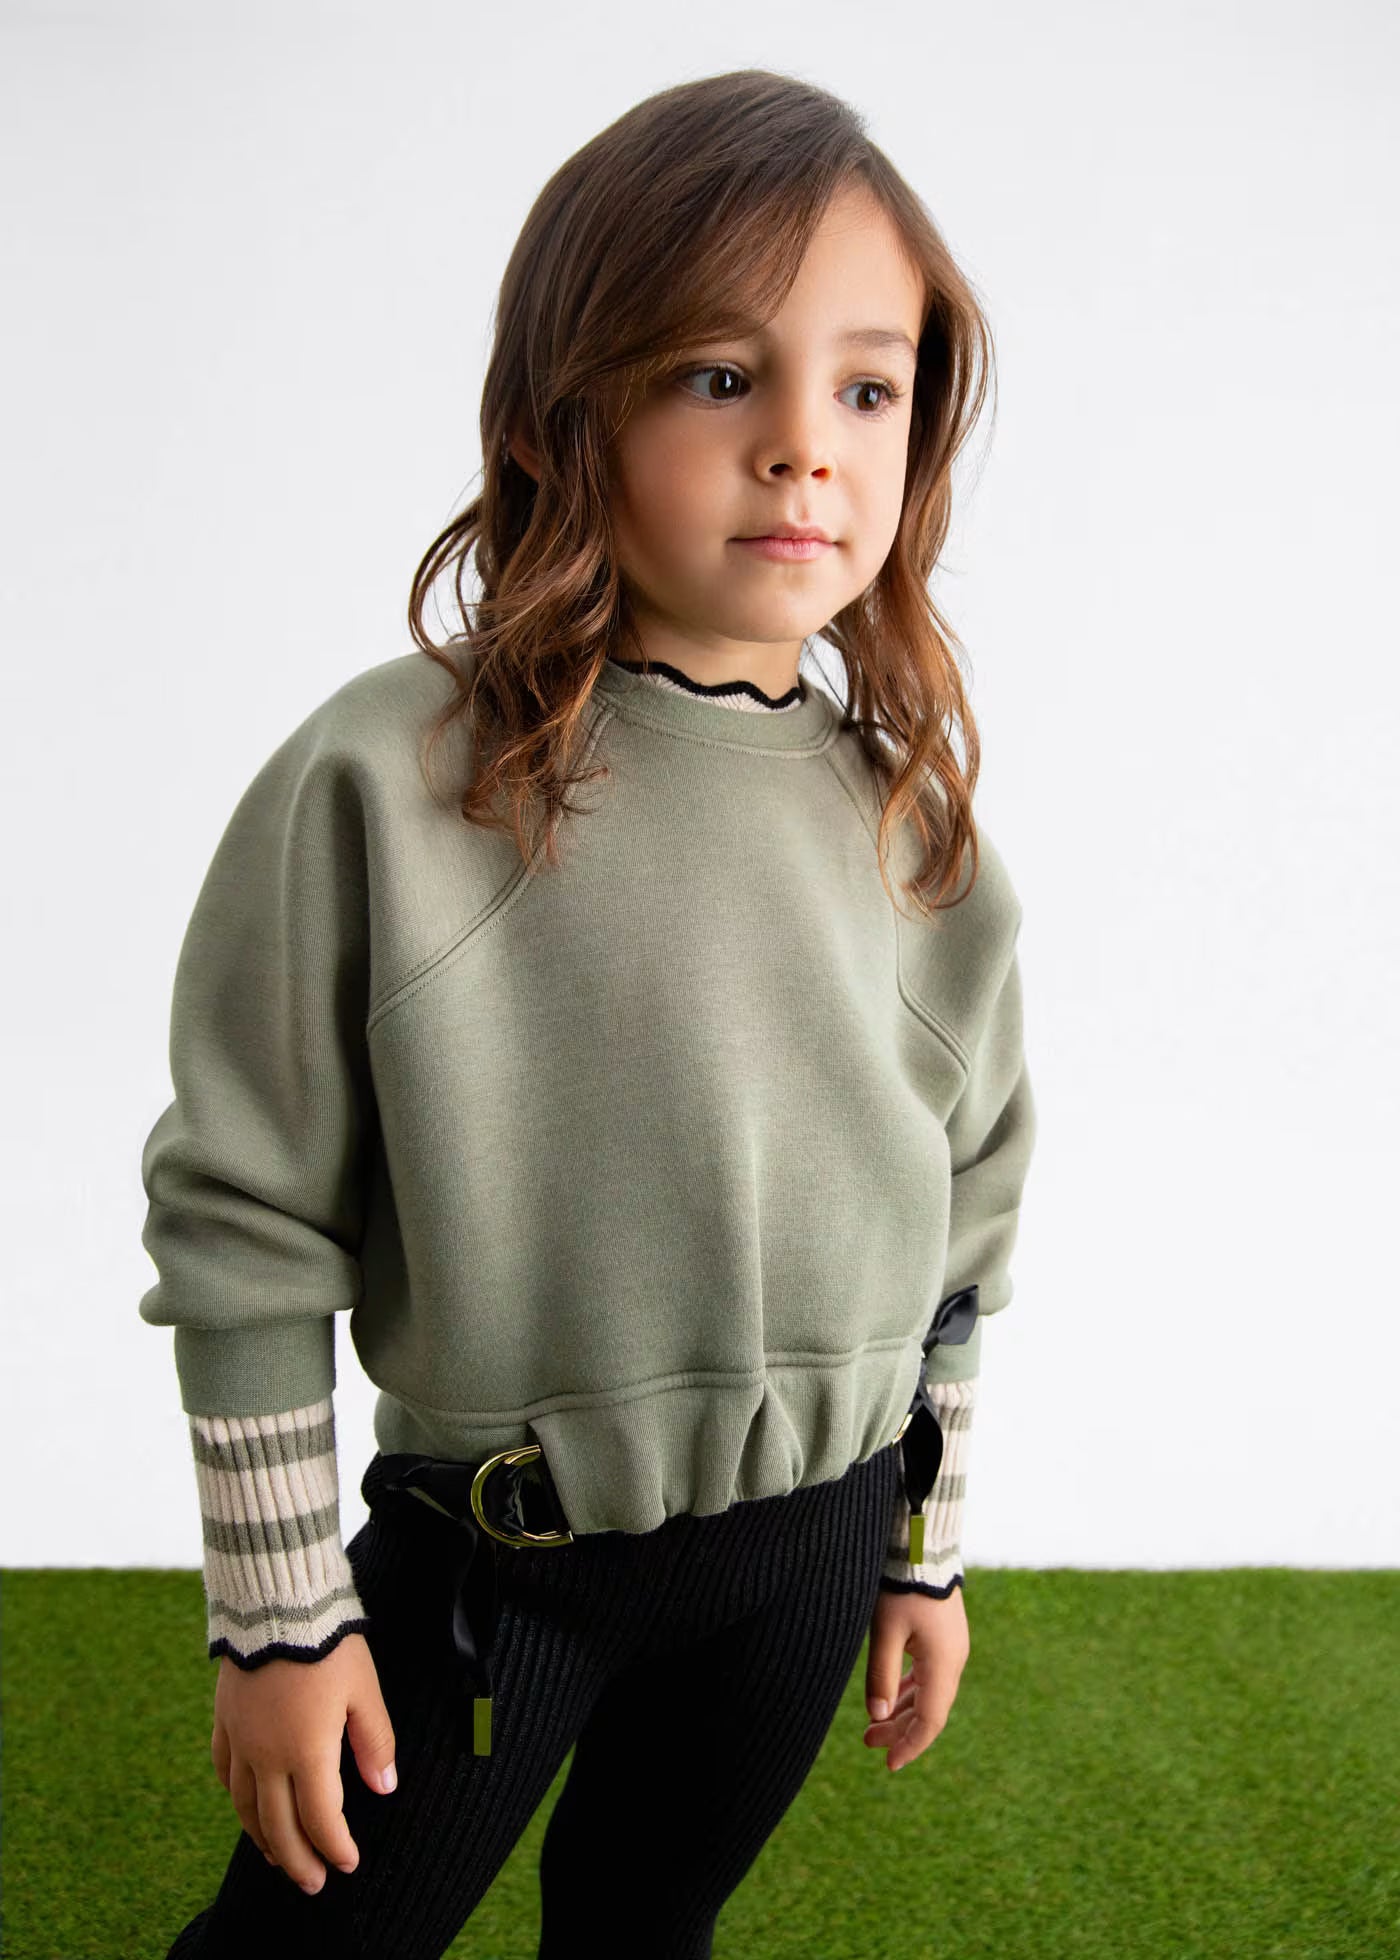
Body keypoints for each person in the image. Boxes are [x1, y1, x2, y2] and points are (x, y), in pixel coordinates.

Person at [141, 65, 1037, 1960]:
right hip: (503, 1571)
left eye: (866, 390)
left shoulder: (916, 827)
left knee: (645, 1928)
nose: (804, 450)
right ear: (572, 407)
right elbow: (244, 1222)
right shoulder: (394, 781)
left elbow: (966, 1232)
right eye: (719, 375)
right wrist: (282, 1623)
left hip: (809, 1556)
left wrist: (922, 1554)